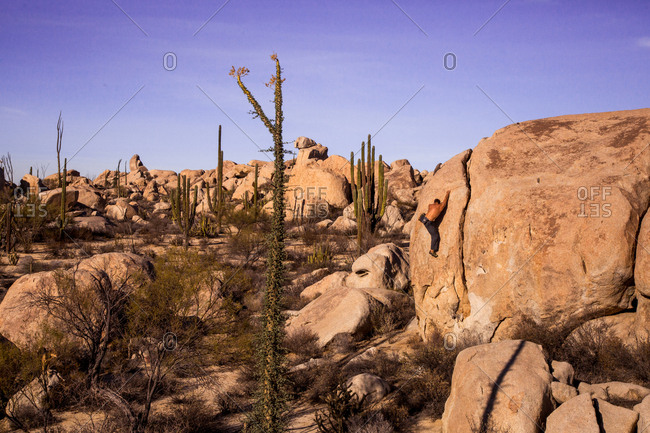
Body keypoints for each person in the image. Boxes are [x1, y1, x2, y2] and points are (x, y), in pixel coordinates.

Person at [419, 190, 450, 257]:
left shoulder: (430, 205)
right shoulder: (440, 206)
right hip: (429, 223)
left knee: (431, 220)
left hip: (425, 220)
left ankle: (421, 218)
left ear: (434, 202)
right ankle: (432, 250)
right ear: (439, 203)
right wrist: (447, 193)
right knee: (435, 236)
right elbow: (445, 201)